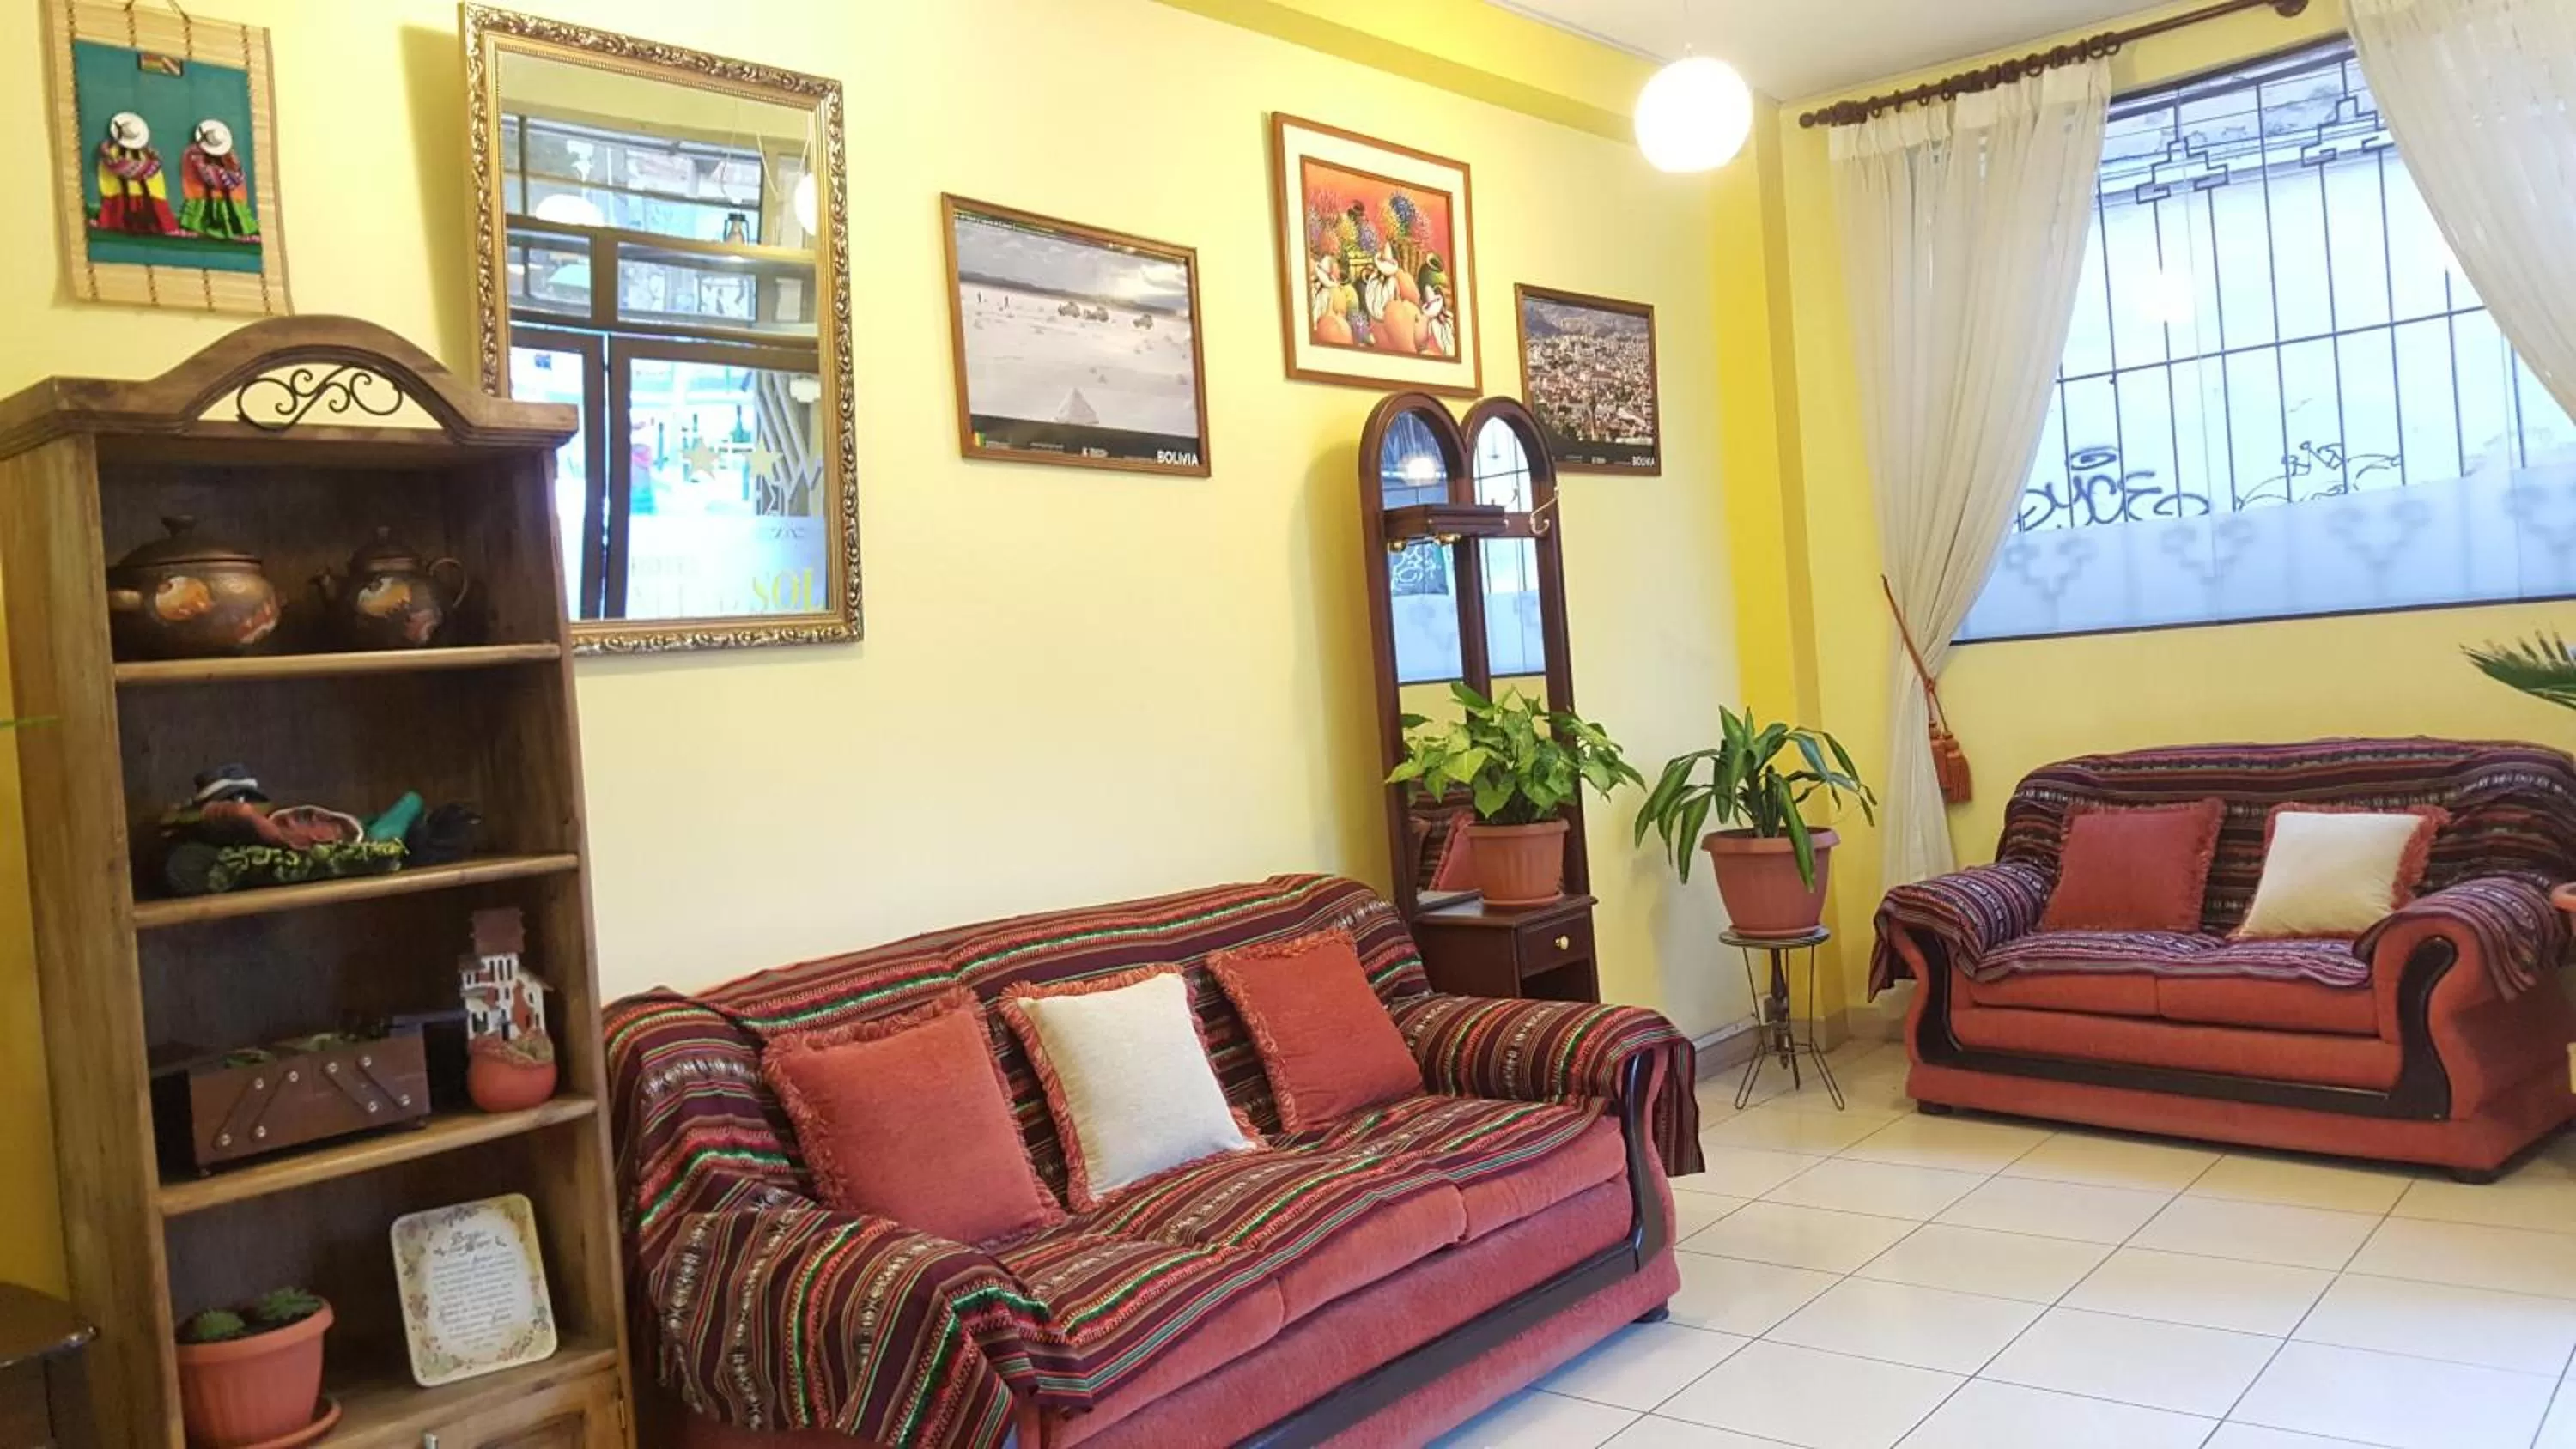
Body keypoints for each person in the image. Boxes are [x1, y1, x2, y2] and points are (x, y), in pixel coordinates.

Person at [94, 112, 181, 236]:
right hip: (142, 200)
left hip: (125, 199)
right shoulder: (147, 157)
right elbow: (155, 177)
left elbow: (108, 170)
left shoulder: (112, 154)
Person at [179, 119, 259, 240]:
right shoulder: (193, 155)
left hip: (224, 198)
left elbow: (230, 173)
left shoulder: (227, 156)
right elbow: (213, 176)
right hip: (203, 196)